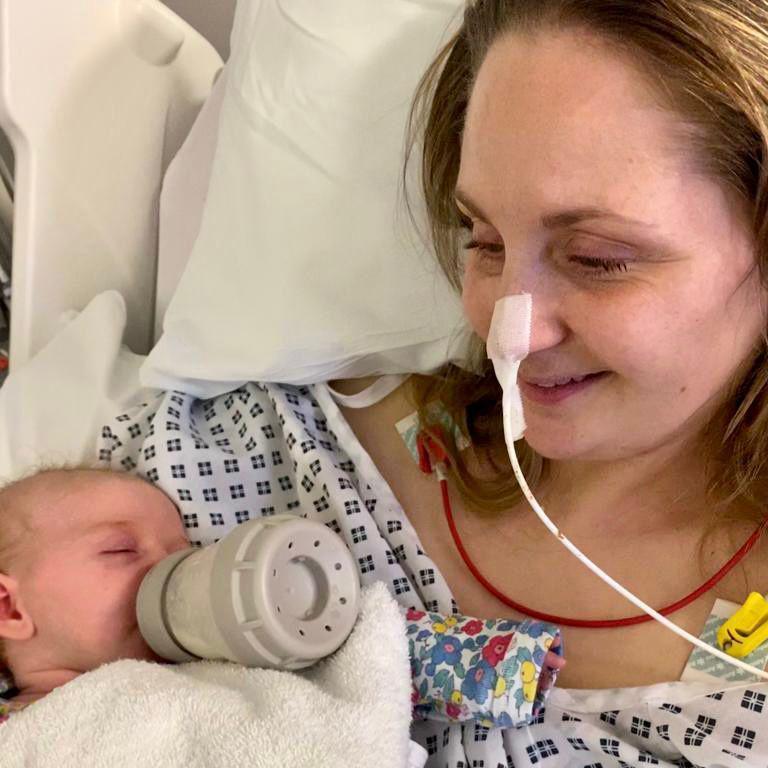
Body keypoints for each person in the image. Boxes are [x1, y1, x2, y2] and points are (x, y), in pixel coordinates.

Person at [0, 467, 563, 728]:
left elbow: (360, 647)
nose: (170, 568)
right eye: (120, 551)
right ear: (10, 609)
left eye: (185, 550)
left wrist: (500, 663)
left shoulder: (219, 656)